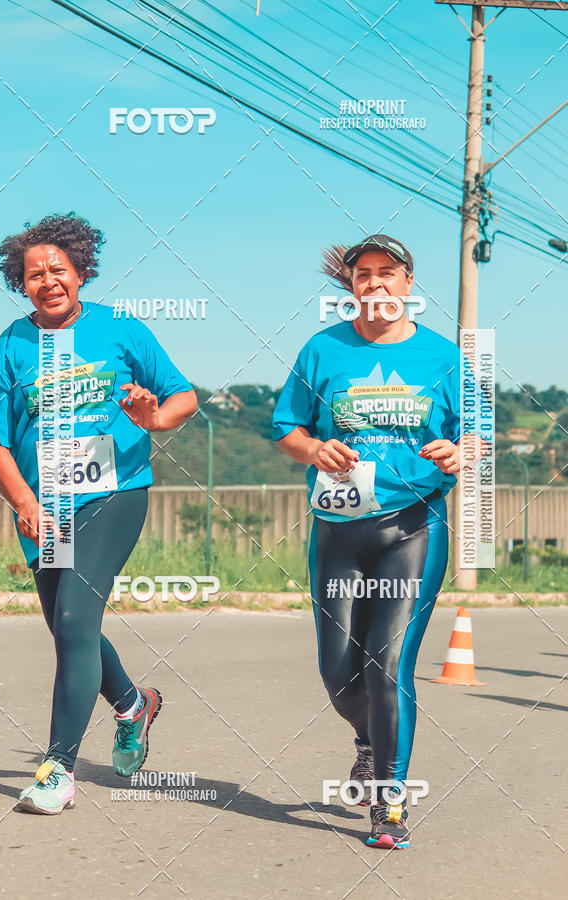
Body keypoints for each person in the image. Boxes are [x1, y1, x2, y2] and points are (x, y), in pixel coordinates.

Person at [0, 213, 197, 815]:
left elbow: (184, 398)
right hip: (48, 508)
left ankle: (58, 771)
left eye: (58, 269)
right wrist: (24, 501)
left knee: (75, 619)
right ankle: (133, 705)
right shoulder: (9, 347)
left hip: (114, 492)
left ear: (80, 271)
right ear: (20, 284)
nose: (47, 280)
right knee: (67, 625)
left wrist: (153, 417)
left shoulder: (121, 331)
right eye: (33, 274)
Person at [272, 234, 475, 849]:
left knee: (387, 669)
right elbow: (287, 428)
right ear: (351, 287)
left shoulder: (445, 358)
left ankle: (390, 800)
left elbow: (480, 438)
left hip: (411, 527)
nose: (376, 284)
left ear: (409, 284)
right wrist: (314, 448)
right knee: (339, 675)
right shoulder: (322, 350)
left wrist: (462, 451)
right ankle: (370, 742)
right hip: (336, 530)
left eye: (388, 273)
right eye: (364, 275)